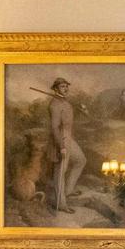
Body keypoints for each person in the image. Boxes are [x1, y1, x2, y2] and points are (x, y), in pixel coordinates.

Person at [47, 78, 85, 214]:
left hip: (68, 136)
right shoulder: (55, 105)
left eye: (66, 86)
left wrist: (80, 109)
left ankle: (68, 191)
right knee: (60, 171)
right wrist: (61, 146)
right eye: (62, 86)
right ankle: (61, 204)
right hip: (61, 137)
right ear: (56, 89)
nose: (65, 88)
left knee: (80, 160)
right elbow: (54, 127)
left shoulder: (65, 101)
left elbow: (68, 116)